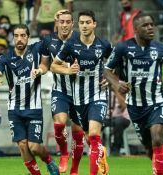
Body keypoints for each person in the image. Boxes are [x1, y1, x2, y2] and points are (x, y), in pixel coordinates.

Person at [104, 13, 163, 175]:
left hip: (157, 101)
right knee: (149, 148)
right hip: (135, 105)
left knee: (157, 138)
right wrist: (117, 84)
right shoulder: (122, 48)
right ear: (136, 29)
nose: (150, 28)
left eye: (151, 24)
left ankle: (158, 172)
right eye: (145, 25)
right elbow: (106, 70)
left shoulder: (162, 48)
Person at [0, 24, 59, 175]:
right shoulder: (6, 58)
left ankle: (49, 161)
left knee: (34, 146)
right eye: (16, 36)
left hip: (34, 108)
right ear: (13, 38)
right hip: (15, 109)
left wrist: (40, 70)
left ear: (28, 37)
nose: (19, 39)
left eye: (23, 35)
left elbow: (47, 61)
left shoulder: (36, 49)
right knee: (22, 145)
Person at [51, 10, 111, 175]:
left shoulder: (104, 45)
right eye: (81, 23)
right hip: (78, 99)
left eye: (87, 22)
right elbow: (54, 65)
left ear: (94, 24)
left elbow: (116, 63)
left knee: (93, 135)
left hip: (98, 95)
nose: (84, 26)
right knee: (86, 135)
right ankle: (100, 152)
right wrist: (68, 70)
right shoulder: (71, 44)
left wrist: (111, 78)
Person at [41, 9, 85, 174]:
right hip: (60, 90)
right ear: (57, 23)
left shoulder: (80, 39)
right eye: (62, 22)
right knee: (59, 123)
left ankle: (74, 169)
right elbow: (45, 64)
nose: (65, 25)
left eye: (68, 22)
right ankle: (64, 153)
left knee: (77, 133)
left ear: (73, 24)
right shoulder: (49, 41)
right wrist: (40, 70)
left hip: (80, 92)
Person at [109, 91, 131, 156]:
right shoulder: (104, 86)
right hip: (108, 117)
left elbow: (123, 105)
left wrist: (115, 91)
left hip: (123, 117)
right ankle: (97, 148)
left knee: (118, 122)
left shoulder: (121, 85)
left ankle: (116, 148)